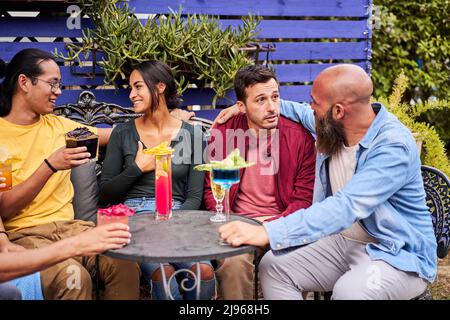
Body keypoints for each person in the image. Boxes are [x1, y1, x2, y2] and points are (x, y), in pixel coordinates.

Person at [214, 64, 437, 300]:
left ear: (338, 111)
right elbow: (294, 111)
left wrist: (267, 232)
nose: (310, 109)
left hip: (396, 254)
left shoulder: (392, 147)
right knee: (274, 267)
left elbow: (345, 206)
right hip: (345, 243)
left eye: (315, 103)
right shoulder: (336, 124)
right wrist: (243, 109)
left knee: (349, 292)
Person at [0, 48, 141, 300]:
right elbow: (5, 209)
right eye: (52, 84)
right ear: (24, 82)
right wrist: (50, 166)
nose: (58, 92)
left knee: (124, 262)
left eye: (60, 85)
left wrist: (168, 119)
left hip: (73, 228)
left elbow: (119, 134)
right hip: (26, 235)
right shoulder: (1, 135)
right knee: (73, 278)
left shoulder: (61, 126)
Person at [99, 60, 215, 300]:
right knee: (164, 273)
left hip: (180, 215)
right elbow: (105, 194)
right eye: (130, 88)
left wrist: (172, 223)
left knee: (203, 271)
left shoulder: (193, 134)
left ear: (160, 87)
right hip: (138, 217)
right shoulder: (122, 133)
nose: (131, 94)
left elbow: (194, 197)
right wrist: (137, 167)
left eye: (138, 87)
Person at [203, 65, 316, 299]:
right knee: (233, 263)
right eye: (261, 100)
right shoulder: (225, 134)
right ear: (241, 106)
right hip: (237, 223)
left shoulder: (299, 137)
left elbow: (303, 200)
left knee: (294, 261)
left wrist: (270, 226)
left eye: (275, 97)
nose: (272, 107)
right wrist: (231, 221)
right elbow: (211, 191)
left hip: (284, 224)